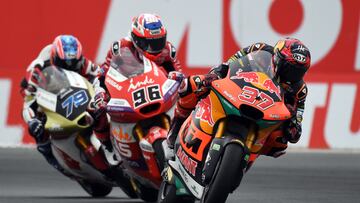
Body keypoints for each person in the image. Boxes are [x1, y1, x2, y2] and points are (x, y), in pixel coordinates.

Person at [165, 37, 311, 159]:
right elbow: (233, 61)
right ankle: (174, 132)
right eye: (289, 68)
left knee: (281, 141)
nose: (292, 74)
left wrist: (293, 124)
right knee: (191, 84)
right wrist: (218, 73)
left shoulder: (300, 89)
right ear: (277, 57)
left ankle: (244, 159)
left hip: (266, 112)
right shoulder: (259, 49)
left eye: (298, 71)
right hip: (238, 90)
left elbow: (297, 123)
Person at [88, 13, 183, 153]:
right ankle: (108, 146)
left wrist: (178, 80)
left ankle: (182, 136)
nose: (155, 47)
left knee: (189, 96)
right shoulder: (119, 48)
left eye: (159, 41)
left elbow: (179, 74)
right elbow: (102, 74)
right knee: (95, 109)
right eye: (149, 43)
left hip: (155, 88)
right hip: (128, 90)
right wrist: (100, 94)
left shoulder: (167, 50)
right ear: (136, 39)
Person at [21, 35, 99, 175]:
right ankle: (50, 156)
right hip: (47, 92)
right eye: (64, 64)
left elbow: (98, 74)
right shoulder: (38, 68)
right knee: (38, 126)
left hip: (76, 91)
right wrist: (32, 121)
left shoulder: (81, 62)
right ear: (54, 57)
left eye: (73, 63)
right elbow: (28, 103)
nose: (69, 66)